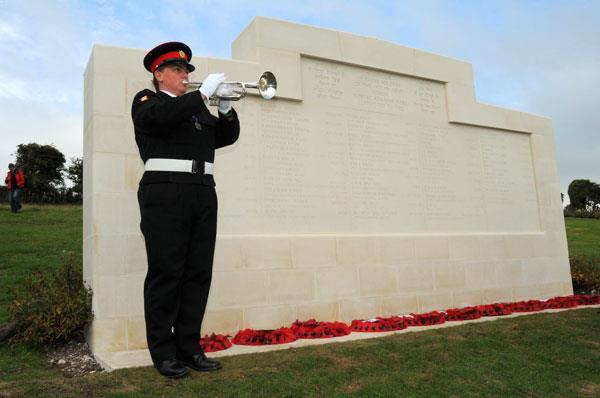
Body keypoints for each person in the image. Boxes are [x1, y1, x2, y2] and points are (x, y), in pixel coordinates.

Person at [131, 42, 240, 379]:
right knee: (167, 272)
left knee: (197, 272)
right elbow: (159, 120)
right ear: (158, 74)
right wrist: (202, 96)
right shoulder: (148, 102)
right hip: (164, 192)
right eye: (177, 70)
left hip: (203, 192)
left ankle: (189, 347)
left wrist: (223, 106)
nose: (184, 75)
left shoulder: (196, 110)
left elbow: (227, 136)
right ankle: (163, 352)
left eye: (187, 71)